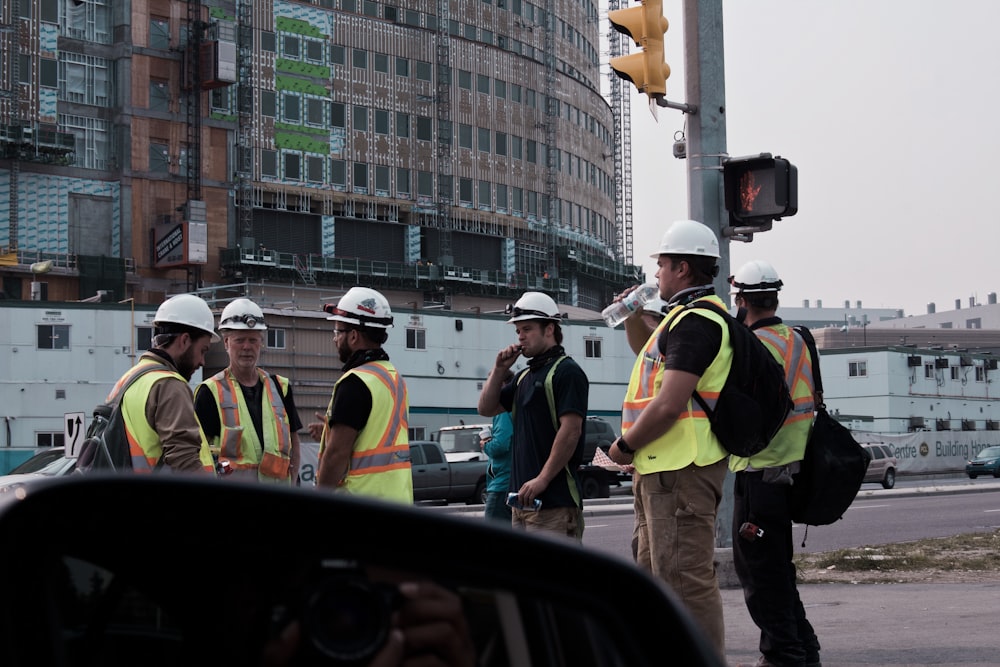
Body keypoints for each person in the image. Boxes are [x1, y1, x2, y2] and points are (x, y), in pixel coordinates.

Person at [606, 219, 731, 657]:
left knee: (685, 581)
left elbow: (668, 403)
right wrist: (633, 316)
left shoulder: (696, 322)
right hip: (662, 466)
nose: (655, 273)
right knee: (658, 576)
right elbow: (646, 353)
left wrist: (623, 447)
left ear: (681, 268)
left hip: (681, 466)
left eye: (660, 265)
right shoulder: (677, 319)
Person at [728, 260, 822, 667]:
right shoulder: (798, 338)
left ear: (742, 300)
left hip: (760, 471)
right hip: (791, 472)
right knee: (778, 571)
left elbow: (740, 408)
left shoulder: (755, 346)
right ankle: (803, 650)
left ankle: (785, 656)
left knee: (761, 577)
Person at [477, 291, 588, 541]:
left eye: (527, 329)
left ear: (549, 329)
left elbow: (571, 431)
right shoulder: (524, 377)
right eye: (518, 331)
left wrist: (542, 479)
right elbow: (485, 408)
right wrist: (498, 370)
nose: (520, 337)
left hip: (553, 501)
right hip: (521, 501)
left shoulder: (567, 371)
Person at [306, 287, 412, 503]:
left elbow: (336, 454)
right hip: (398, 500)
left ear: (353, 336)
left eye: (337, 332)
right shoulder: (393, 377)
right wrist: (330, 430)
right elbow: (374, 434)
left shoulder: (354, 383)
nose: (335, 339)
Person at [195, 298, 302, 484]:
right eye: (240, 340)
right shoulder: (210, 391)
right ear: (226, 343)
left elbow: (295, 443)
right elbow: (198, 452)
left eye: (253, 340)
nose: (247, 347)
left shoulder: (280, 387)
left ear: (261, 343)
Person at [114, 293, 219, 473]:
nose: (203, 361)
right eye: (203, 350)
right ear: (185, 340)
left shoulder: (131, 378)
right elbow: (185, 461)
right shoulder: (169, 385)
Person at [480, 394, 514, 524]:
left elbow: (500, 445)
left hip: (501, 485)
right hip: (514, 481)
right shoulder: (518, 409)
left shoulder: (502, 412)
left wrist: (486, 445)